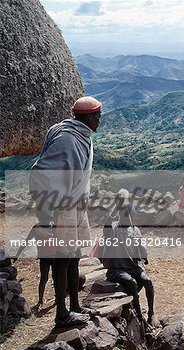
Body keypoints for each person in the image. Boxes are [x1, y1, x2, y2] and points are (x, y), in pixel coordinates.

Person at [29, 96, 101, 327]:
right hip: (66, 207)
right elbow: (40, 171)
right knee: (63, 259)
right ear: (88, 116)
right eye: (97, 116)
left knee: (75, 255)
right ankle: (62, 313)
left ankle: (75, 306)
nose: (99, 120)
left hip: (78, 204)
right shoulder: (67, 138)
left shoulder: (77, 133)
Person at [102, 189, 157, 331]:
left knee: (148, 281)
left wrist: (144, 257)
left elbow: (141, 248)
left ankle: (151, 313)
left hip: (132, 267)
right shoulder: (113, 229)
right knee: (132, 283)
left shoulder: (135, 230)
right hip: (117, 269)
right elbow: (107, 224)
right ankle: (140, 317)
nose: (131, 216)